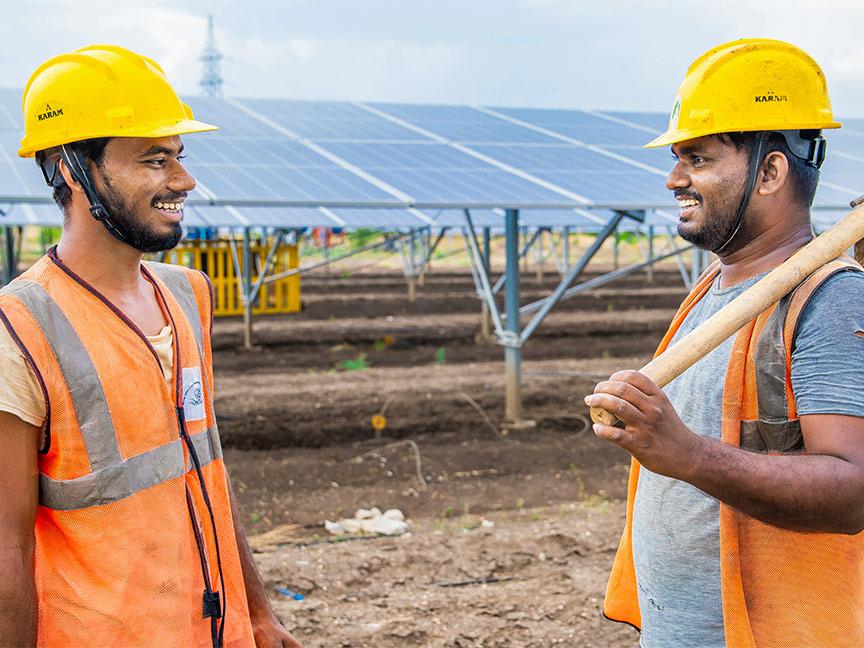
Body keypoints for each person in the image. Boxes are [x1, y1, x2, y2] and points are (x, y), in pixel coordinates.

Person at [0, 45, 302, 648]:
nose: (184, 180)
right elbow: (5, 546)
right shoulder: (18, 328)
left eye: (180, 157)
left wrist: (260, 617)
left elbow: (206, 469)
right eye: (155, 159)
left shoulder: (189, 294)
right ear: (71, 168)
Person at [585, 39, 864, 647]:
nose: (673, 178)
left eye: (698, 158)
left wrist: (686, 452)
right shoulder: (715, 290)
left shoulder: (830, 300)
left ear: (770, 170)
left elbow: (854, 490)